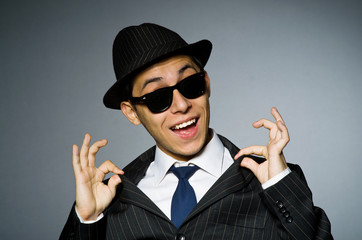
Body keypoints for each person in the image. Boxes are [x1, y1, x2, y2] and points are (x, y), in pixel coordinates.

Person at [60, 23, 333, 240]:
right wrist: (88, 220)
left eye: (190, 85)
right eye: (158, 97)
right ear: (132, 112)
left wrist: (280, 188)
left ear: (207, 83)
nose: (181, 105)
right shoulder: (112, 196)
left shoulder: (272, 181)